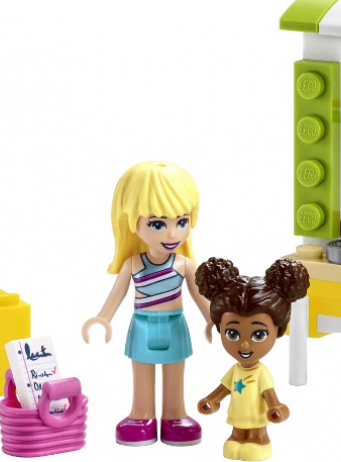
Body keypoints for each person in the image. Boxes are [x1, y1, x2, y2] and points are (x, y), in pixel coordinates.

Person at [82, 161, 210, 447]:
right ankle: (141, 416)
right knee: (141, 371)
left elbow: (199, 295)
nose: (172, 234)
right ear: (132, 222)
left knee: (175, 371)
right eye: (157, 224)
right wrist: (103, 318)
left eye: (182, 222)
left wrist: (212, 318)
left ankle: (175, 415)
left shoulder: (184, 264)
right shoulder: (133, 264)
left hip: (175, 324)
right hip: (142, 325)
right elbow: (116, 295)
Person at [196, 258, 310, 461]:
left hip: (257, 418)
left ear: (278, 331)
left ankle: (259, 442)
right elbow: (224, 389)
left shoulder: (261, 372)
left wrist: (276, 408)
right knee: (236, 437)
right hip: (238, 416)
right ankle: (236, 439)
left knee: (255, 437)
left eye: (258, 335)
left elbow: (269, 394)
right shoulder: (235, 370)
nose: (245, 345)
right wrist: (210, 401)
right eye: (232, 334)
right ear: (220, 328)